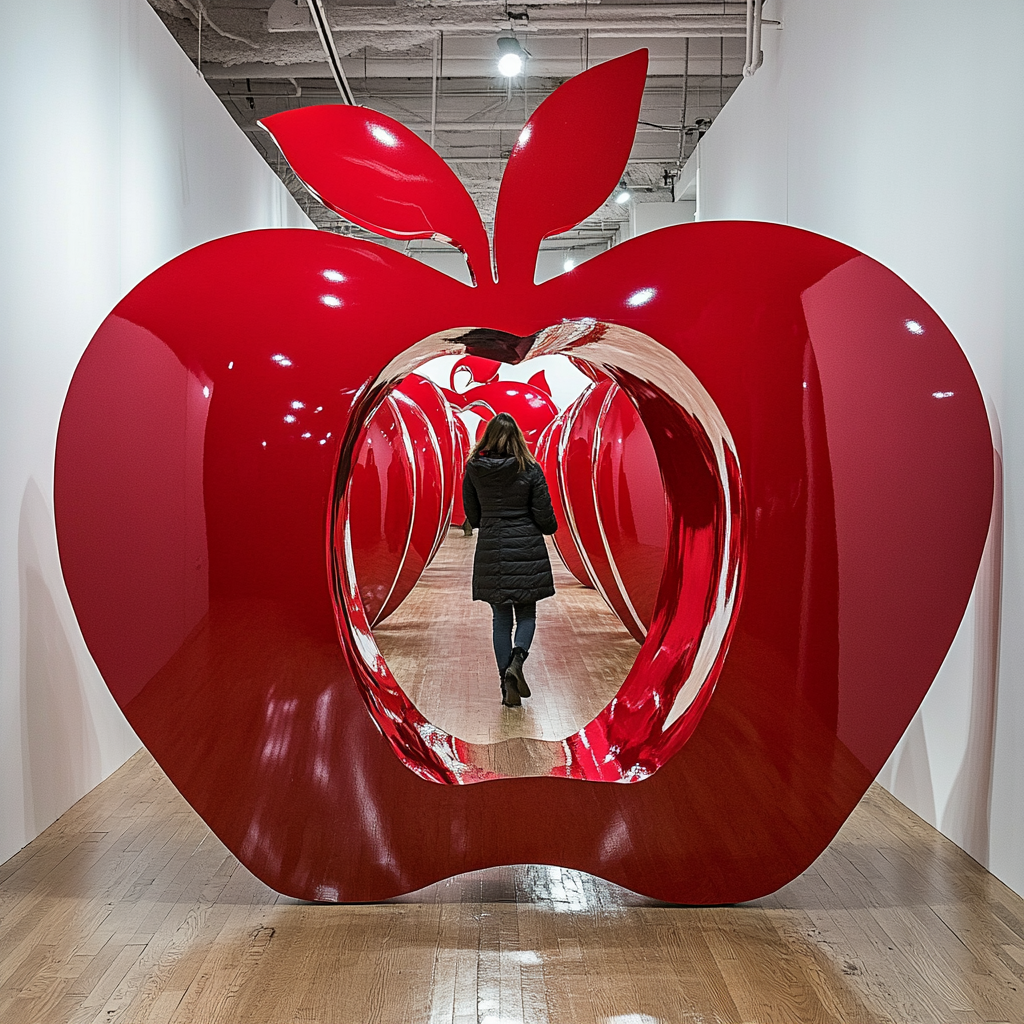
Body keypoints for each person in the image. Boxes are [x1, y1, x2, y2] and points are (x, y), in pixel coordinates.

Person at [462, 412, 558, 707]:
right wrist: (544, 526)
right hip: (526, 547)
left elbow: (473, 515)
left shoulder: (474, 468)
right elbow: (545, 517)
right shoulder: (530, 468)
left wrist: (491, 518)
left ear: (487, 437)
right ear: (518, 437)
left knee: (500, 620)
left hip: (492, 547)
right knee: (526, 615)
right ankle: (517, 662)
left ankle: (507, 686)